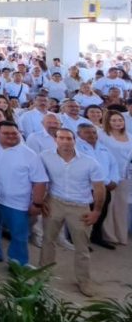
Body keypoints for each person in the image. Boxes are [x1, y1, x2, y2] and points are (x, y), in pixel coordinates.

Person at [38, 128, 106, 297]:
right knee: (48, 240)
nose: (65, 142)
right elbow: (39, 179)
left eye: (69, 138)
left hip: (80, 206)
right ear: (55, 140)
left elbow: (99, 188)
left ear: (74, 141)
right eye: (61, 138)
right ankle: (43, 275)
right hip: (54, 202)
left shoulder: (89, 162)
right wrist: (41, 200)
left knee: (82, 246)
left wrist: (96, 211)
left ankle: (84, 281)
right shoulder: (45, 156)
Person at [0, 120, 47, 267]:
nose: (11, 136)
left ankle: (18, 263)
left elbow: (40, 181)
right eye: (6, 133)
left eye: (14, 133)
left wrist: (37, 204)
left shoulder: (29, 155)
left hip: (17, 203)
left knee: (19, 234)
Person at [76, 122, 121, 250]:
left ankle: (96, 237)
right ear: (79, 134)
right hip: (87, 188)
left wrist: (114, 181)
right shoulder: (77, 148)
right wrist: (106, 182)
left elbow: (114, 165)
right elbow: (84, 168)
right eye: (87, 132)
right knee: (84, 215)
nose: (92, 135)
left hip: (105, 189)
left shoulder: (103, 148)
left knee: (101, 213)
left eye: (94, 132)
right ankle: (80, 241)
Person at [100, 110, 132, 245]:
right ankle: (109, 235)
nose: (118, 123)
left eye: (120, 120)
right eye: (113, 120)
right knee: (109, 205)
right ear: (108, 122)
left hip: (126, 175)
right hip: (109, 175)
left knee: (121, 206)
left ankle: (121, 235)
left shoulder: (130, 136)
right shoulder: (102, 135)